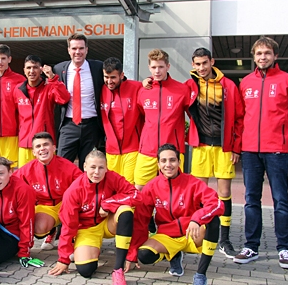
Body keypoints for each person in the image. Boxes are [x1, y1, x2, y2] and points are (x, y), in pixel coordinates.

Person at [234, 36, 288, 269]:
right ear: (253, 57)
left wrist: (282, 134)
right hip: (251, 150)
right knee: (251, 200)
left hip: (277, 150)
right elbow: (241, 116)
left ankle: (284, 249)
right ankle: (251, 246)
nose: (262, 57)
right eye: (259, 54)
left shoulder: (287, 80)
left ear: (275, 56)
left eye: (267, 53)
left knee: (280, 200)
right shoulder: (246, 83)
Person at [125, 144, 224, 285]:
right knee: (144, 254)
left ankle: (201, 274)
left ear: (179, 162)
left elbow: (217, 204)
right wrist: (132, 254)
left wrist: (197, 219)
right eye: (163, 161)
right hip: (167, 236)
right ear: (158, 164)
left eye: (172, 160)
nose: (168, 165)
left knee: (213, 221)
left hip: (192, 233)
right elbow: (140, 221)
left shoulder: (193, 183)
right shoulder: (151, 187)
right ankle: (174, 255)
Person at [48, 149, 142, 285]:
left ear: (106, 168)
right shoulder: (74, 190)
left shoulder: (113, 177)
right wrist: (63, 259)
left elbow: (136, 195)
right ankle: (88, 249)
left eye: (101, 167)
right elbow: (68, 225)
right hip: (87, 230)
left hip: (107, 223)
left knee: (126, 211)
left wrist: (108, 203)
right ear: (84, 167)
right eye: (93, 167)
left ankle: (118, 269)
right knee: (86, 270)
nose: (97, 172)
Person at [185, 47, 244, 258]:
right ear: (193, 64)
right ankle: (201, 232)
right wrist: (149, 82)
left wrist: (236, 147)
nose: (201, 67)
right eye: (197, 64)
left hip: (223, 148)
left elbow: (239, 118)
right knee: (200, 194)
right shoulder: (190, 85)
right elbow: (171, 92)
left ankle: (224, 239)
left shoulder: (228, 85)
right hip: (200, 147)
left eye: (204, 63)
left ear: (212, 62)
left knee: (224, 193)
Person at [13, 132, 82, 250]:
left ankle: (74, 238)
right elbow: (11, 183)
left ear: (54, 148)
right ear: (33, 152)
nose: (42, 149)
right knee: (39, 228)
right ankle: (52, 231)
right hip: (45, 206)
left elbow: (84, 185)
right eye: (38, 146)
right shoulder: (27, 170)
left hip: (66, 204)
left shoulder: (68, 166)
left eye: (46, 145)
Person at [134, 49, 190, 191]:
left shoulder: (182, 90)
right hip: (147, 149)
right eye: (153, 67)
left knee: (174, 189)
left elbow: (194, 116)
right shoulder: (143, 90)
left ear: (168, 66)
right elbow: (140, 115)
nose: (157, 71)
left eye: (161, 67)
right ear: (149, 68)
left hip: (172, 150)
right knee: (140, 187)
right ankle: (143, 214)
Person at [53, 33, 105, 171]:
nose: (78, 52)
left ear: (87, 49)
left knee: (89, 167)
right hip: (69, 125)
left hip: (92, 126)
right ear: (68, 50)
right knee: (61, 165)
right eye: (74, 48)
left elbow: (119, 79)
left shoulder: (98, 67)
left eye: (81, 48)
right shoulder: (59, 69)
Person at [13, 55, 70, 167]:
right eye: (28, 68)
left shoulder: (49, 87)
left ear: (41, 69)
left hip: (44, 143)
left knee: (46, 176)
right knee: (24, 178)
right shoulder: (18, 90)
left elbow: (64, 99)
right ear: (24, 70)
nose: (31, 71)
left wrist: (52, 78)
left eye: (35, 67)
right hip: (25, 144)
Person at [100, 57, 143, 185]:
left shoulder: (136, 87)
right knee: (112, 185)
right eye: (106, 77)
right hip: (111, 150)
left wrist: (149, 80)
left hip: (132, 148)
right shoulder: (101, 89)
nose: (109, 81)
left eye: (113, 77)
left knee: (128, 185)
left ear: (122, 75)